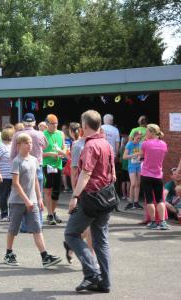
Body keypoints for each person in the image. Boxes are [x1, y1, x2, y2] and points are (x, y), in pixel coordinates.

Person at [65, 110, 115, 293]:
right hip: (107, 197)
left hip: (91, 198)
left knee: (71, 234)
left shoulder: (90, 146)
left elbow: (85, 173)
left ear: (84, 126)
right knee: (101, 241)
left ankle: (92, 273)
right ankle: (105, 282)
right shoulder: (106, 144)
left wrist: (75, 196)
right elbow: (114, 174)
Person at [3, 133, 61, 268]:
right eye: (26, 143)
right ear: (18, 146)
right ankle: (8, 253)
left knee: (37, 228)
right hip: (17, 201)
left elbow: (35, 179)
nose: (30, 145)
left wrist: (39, 198)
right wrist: (26, 200)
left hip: (33, 201)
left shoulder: (34, 160)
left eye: (30, 143)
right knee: (13, 229)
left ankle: (45, 256)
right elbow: (16, 184)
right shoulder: (16, 161)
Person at [63, 122, 94, 264]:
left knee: (88, 225)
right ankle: (90, 256)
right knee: (87, 225)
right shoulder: (78, 145)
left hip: (93, 189)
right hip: (83, 189)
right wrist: (75, 193)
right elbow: (74, 170)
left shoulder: (94, 144)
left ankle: (71, 247)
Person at [11, 113, 47, 230]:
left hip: (21, 167)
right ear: (35, 122)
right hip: (37, 166)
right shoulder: (39, 134)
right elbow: (45, 146)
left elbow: (12, 154)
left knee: (22, 196)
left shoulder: (17, 135)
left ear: (23, 122)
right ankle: (37, 224)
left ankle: (25, 225)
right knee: (37, 196)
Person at [140, 124, 169, 230]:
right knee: (160, 199)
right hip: (158, 175)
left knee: (149, 199)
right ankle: (162, 222)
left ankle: (153, 222)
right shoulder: (163, 144)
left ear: (151, 132)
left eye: (147, 131)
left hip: (146, 175)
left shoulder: (145, 144)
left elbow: (141, 156)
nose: (145, 133)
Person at [43, 114, 67, 225]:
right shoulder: (43, 135)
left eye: (56, 123)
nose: (55, 125)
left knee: (56, 192)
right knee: (48, 190)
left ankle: (53, 212)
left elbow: (64, 147)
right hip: (47, 166)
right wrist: (50, 154)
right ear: (47, 124)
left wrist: (63, 153)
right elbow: (38, 154)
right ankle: (49, 214)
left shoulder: (60, 134)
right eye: (52, 124)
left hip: (58, 165)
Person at [0, 127, 14, 220]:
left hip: (13, 174)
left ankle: (12, 214)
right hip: (3, 175)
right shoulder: (0, 146)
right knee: (4, 195)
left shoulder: (13, 145)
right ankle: (4, 214)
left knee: (13, 195)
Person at [123, 131, 143, 210]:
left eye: (140, 138)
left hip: (138, 165)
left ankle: (136, 202)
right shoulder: (129, 144)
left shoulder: (140, 144)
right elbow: (124, 156)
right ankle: (131, 202)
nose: (139, 140)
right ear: (134, 137)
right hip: (131, 166)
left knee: (138, 184)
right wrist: (135, 154)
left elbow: (142, 154)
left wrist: (141, 157)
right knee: (133, 183)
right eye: (138, 138)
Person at [119, 135, 130, 201]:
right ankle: (128, 195)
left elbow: (120, 159)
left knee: (123, 182)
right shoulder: (129, 148)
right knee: (128, 182)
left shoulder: (121, 148)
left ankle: (123, 195)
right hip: (129, 167)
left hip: (123, 167)